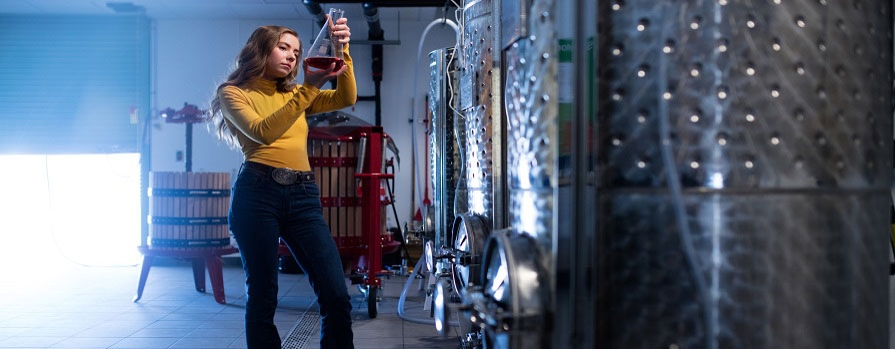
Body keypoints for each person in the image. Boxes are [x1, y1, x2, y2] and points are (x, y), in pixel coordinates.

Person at [208, 17, 355, 349]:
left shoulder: (295, 94)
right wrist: (311, 86)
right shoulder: (232, 93)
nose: (292, 56)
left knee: (336, 294)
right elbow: (264, 131)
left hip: (303, 195)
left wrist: (342, 50)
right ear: (261, 49)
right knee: (263, 299)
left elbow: (346, 97)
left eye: (297, 51)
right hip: (257, 195)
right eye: (283, 47)